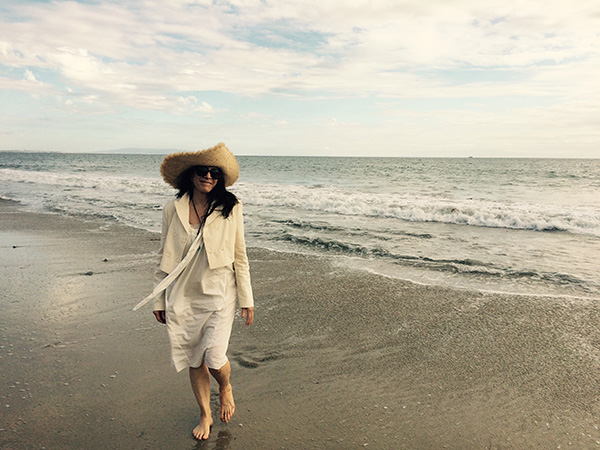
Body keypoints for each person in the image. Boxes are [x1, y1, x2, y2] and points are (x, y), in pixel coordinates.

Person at [138, 143, 254, 441]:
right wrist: (159, 297)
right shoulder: (171, 208)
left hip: (220, 293)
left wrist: (247, 299)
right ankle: (205, 413)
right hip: (183, 296)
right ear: (191, 176)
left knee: (214, 357)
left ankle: (225, 387)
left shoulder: (231, 206)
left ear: (220, 178)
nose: (208, 176)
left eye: (214, 172)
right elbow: (165, 254)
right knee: (194, 358)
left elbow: (240, 255)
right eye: (202, 171)